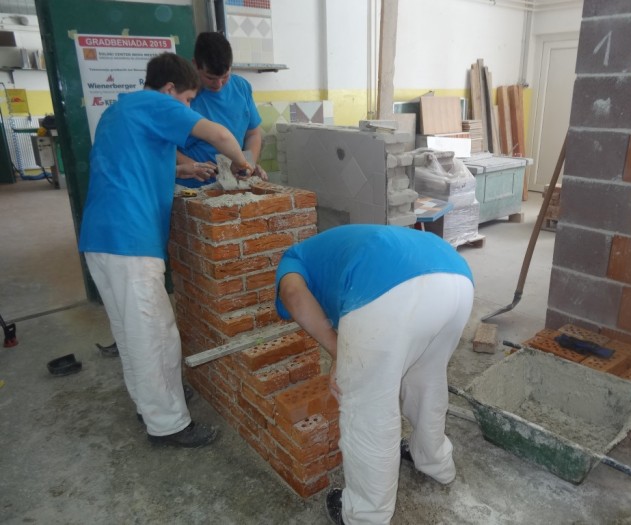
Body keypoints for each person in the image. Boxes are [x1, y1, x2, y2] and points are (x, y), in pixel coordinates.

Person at [78, 52, 252, 448]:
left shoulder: (119, 110)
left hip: (100, 240)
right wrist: (242, 164)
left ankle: (151, 402)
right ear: (170, 89)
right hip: (130, 241)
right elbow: (221, 136)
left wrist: (181, 169)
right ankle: (169, 424)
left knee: (131, 333)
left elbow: (131, 162)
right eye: (188, 100)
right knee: (155, 335)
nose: (188, 108)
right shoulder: (154, 102)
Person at [274, 225, 475, 525]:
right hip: (456, 278)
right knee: (427, 381)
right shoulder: (335, 247)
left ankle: (366, 516)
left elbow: (292, 293)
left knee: (368, 408)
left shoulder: (292, 259)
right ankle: (435, 461)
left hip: (385, 287)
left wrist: (339, 353)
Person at [176, 31, 267, 187]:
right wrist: (192, 166)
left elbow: (253, 134)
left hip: (232, 185)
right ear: (195, 65)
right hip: (190, 187)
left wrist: (248, 165)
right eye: (210, 78)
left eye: (225, 76)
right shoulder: (181, 94)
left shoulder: (241, 87)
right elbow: (164, 146)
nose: (218, 84)